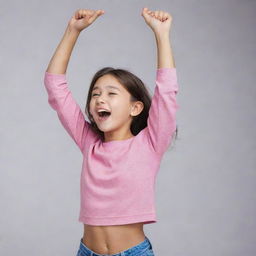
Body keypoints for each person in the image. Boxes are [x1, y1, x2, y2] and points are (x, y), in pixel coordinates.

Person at [44, 6, 179, 256]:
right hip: (87, 251)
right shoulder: (90, 144)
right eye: (95, 94)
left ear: (135, 108)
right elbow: (55, 85)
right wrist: (72, 31)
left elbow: (166, 93)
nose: (99, 100)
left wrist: (161, 35)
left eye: (111, 94)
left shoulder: (149, 144)